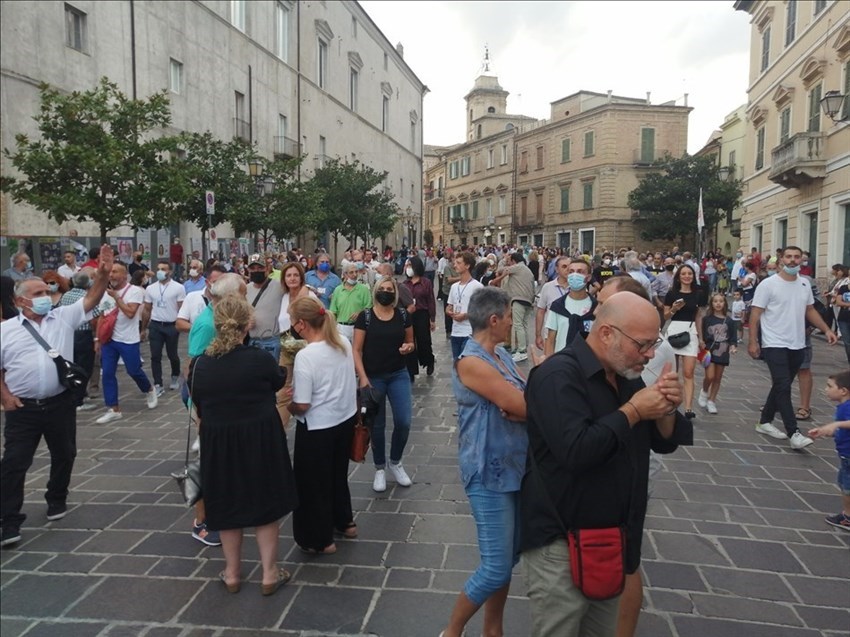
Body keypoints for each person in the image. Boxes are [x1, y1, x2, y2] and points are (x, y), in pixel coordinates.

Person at [521, 291, 692, 636]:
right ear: (607, 333)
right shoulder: (557, 376)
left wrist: (667, 407)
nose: (650, 354)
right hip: (563, 545)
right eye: (642, 344)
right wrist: (633, 411)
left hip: (613, 541)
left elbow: (662, 441)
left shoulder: (626, 374)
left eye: (654, 343)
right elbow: (577, 451)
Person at [0, 245, 112, 548]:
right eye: (37, 294)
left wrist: (102, 275)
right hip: (22, 408)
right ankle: (8, 520)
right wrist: (5, 395)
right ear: (19, 300)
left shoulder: (62, 318)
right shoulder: (6, 331)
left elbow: (92, 299)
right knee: (14, 462)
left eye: (47, 292)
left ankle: (56, 497)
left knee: (65, 453)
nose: (45, 297)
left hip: (59, 402)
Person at [187, 295, 297, 594]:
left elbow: (197, 401)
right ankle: (269, 573)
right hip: (260, 439)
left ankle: (233, 573)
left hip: (219, 442)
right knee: (265, 504)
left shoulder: (200, 365)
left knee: (226, 503)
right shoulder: (259, 359)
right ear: (248, 323)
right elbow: (278, 380)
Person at [440, 287, 528, 637]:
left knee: (507, 560)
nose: (512, 322)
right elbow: (524, 404)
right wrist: (524, 409)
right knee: (495, 567)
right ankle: (452, 631)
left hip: (515, 468)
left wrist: (523, 408)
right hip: (487, 470)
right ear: (494, 320)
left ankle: (493, 630)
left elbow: (523, 399)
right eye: (508, 316)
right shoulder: (471, 362)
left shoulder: (502, 356)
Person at [286, 297, 358, 555]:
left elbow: (303, 404)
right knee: (337, 475)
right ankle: (345, 521)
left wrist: (289, 405)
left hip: (317, 427)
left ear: (302, 324)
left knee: (312, 484)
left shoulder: (306, 356)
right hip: (344, 419)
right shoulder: (343, 343)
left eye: (293, 321)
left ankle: (320, 539)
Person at [751, 246, 838, 449]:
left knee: (781, 386)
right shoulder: (768, 284)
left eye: (796, 257)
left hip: (797, 343)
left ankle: (764, 422)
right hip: (774, 343)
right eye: (788, 257)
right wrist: (753, 341)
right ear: (781, 259)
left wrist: (826, 329)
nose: (792, 260)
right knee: (783, 386)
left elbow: (809, 310)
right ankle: (794, 433)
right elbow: (755, 314)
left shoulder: (804, 284)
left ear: (802, 260)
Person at [353, 277, 415, 493]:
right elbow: (357, 349)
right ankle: (379, 467)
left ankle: (395, 461)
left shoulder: (403, 315)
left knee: (404, 421)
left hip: (398, 374)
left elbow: (411, 342)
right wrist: (363, 377)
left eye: (390, 289)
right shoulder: (366, 317)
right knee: (376, 426)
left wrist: (408, 348)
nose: (386, 292)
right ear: (376, 291)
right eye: (383, 288)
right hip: (374, 376)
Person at [94, 262, 158, 424]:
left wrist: (117, 298)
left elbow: (130, 313)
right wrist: (98, 338)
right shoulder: (105, 293)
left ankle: (149, 389)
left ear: (124, 275)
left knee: (133, 370)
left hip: (128, 339)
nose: (111, 275)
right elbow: (102, 316)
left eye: (115, 272)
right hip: (109, 340)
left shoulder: (134, 291)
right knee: (108, 373)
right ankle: (113, 409)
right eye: (110, 272)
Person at [808, 371, 850, 532]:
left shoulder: (847, 407)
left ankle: (848, 517)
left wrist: (836, 425)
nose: (826, 389)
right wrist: (825, 431)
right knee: (844, 484)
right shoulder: (843, 406)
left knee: (847, 487)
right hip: (845, 454)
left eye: (830, 386)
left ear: (843, 391)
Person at [663, 264, 706, 419]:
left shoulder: (698, 294)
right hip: (674, 330)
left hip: (690, 330)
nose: (687, 276)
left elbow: (699, 316)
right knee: (672, 372)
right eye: (684, 274)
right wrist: (674, 308)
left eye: (690, 274)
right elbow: (666, 316)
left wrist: (701, 338)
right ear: (678, 277)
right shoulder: (671, 293)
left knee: (688, 372)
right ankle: (670, 404)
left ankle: (688, 408)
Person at [276, 262, 317, 425]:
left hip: (306, 347)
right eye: (288, 275)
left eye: (295, 275)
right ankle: (280, 431)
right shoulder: (284, 297)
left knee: (309, 389)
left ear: (301, 277)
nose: (292, 278)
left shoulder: (309, 296)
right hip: (286, 348)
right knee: (283, 392)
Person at [141, 262, 185, 396]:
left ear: (170, 272)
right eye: (158, 269)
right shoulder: (151, 288)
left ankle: (175, 375)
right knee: (155, 355)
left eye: (163, 269)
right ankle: (158, 383)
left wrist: (181, 323)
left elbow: (181, 307)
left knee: (172, 354)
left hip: (171, 325)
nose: (160, 271)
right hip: (156, 325)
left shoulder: (178, 288)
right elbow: (147, 309)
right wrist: (143, 328)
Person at [543, 259, 595, 359]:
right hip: (562, 363)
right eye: (571, 272)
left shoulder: (596, 308)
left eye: (580, 272)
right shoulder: (558, 306)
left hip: (588, 364)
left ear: (588, 277)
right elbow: (550, 340)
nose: (575, 275)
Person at [490, 252, 536, 363]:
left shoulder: (518, 267)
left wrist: (501, 268)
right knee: (524, 325)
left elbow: (502, 270)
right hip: (528, 300)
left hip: (519, 299)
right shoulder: (527, 270)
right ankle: (523, 348)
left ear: (514, 260)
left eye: (510, 261)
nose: (508, 263)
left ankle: (522, 350)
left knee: (518, 325)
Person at [697, 293, 738, 415]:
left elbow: (733, 338)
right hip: (708, 351)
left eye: (721, 301)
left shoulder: (729, 321)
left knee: (718, 378)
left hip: (723, 351)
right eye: (715, 301)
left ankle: (712, 400)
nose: (718, 303)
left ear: (725, 303)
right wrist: (701, 343)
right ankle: (704, 391)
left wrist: (733, 346)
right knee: (709, 376)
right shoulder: (706, 319)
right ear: (712, 303)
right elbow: (701, 334)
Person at [401, 256, 436, 378]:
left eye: (410, 265)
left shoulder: (426, 282)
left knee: (424, 340)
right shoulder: (405, 284)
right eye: (407, 265)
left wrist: (432, 319)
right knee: (409, 340)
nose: (408, 267)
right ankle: (411, 369)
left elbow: (431, 300)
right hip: (409, 314)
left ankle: (429, 361)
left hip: (422, 313)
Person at [246, 254, 284, 361]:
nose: (256, 271)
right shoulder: (245, 289)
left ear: (267, 268)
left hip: (272, 341)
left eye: (260, 268)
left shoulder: (279, 286)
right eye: (252, 268)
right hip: (252, 341)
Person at [446, 252, 484, 361]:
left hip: (470, 333)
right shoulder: (454, 287)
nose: (455, 265)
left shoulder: (477, 286)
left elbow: (482, 311)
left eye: (458, 263)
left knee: (468, 366)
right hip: (455, 332)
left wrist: (466, 315)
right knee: (456, 365)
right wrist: (449, 311)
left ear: (467, 266)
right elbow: (449, 306)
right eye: (455, 263)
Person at [535, 255, 571, 353]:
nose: (568, 269)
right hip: (551, 336)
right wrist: (538, 335)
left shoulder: (577, 288)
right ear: (556, 269)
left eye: (570, 266)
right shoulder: (548, 287)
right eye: (564, 266)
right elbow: (541, 311)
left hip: (571, 336)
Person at [330, 261, 372, 342]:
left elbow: (369, 308)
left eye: (356, 272)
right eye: (351, 272)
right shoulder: (338, 290)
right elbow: (333, 311)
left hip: (357, 327)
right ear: (345, 274)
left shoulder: (364, 289)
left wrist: (360, 312)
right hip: (341, 327)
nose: (355, 275)